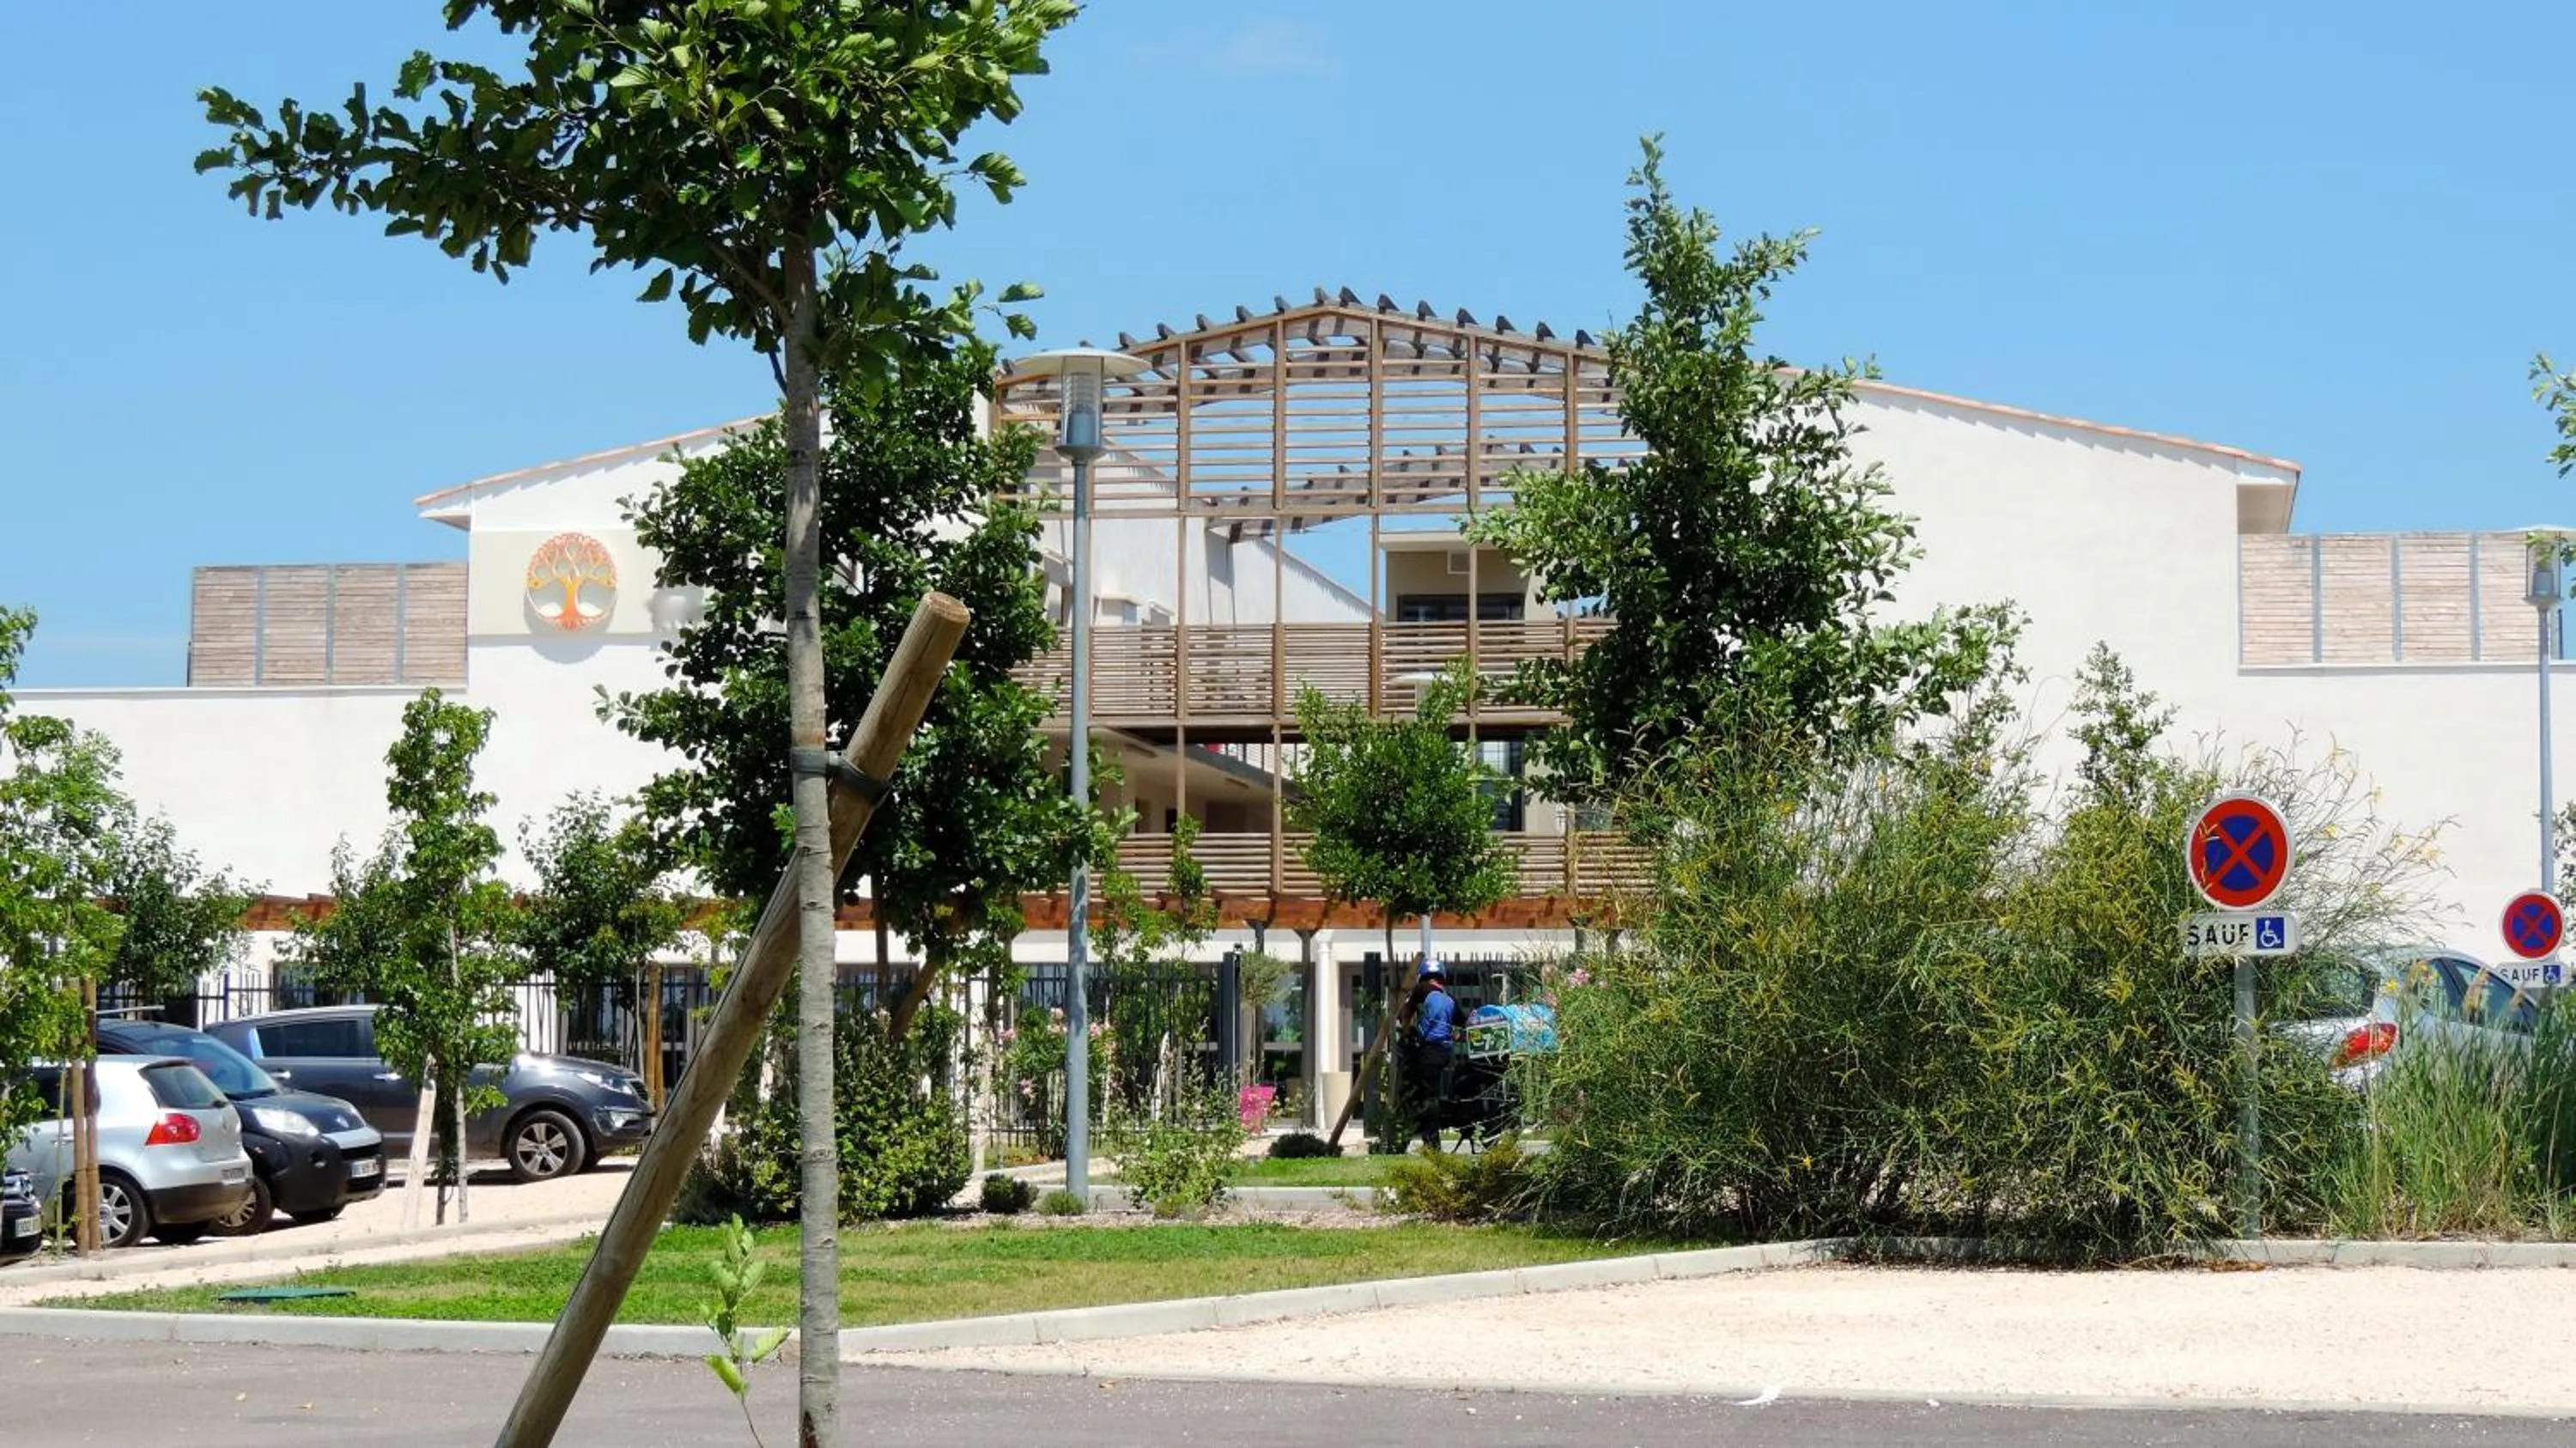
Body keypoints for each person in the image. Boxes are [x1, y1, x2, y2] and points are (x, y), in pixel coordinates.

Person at [1400, 958, 1458, 1153]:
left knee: (1426, 1095)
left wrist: (1406, 1033)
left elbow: (1405, 1013)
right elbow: (1464, 1022)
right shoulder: (1449, 999)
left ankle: (1431, 1142)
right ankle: (1426, 1138)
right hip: (1445, 1052)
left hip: (1428, 1050)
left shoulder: (1420, 989)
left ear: (1423, 976)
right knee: (1428, 1092)